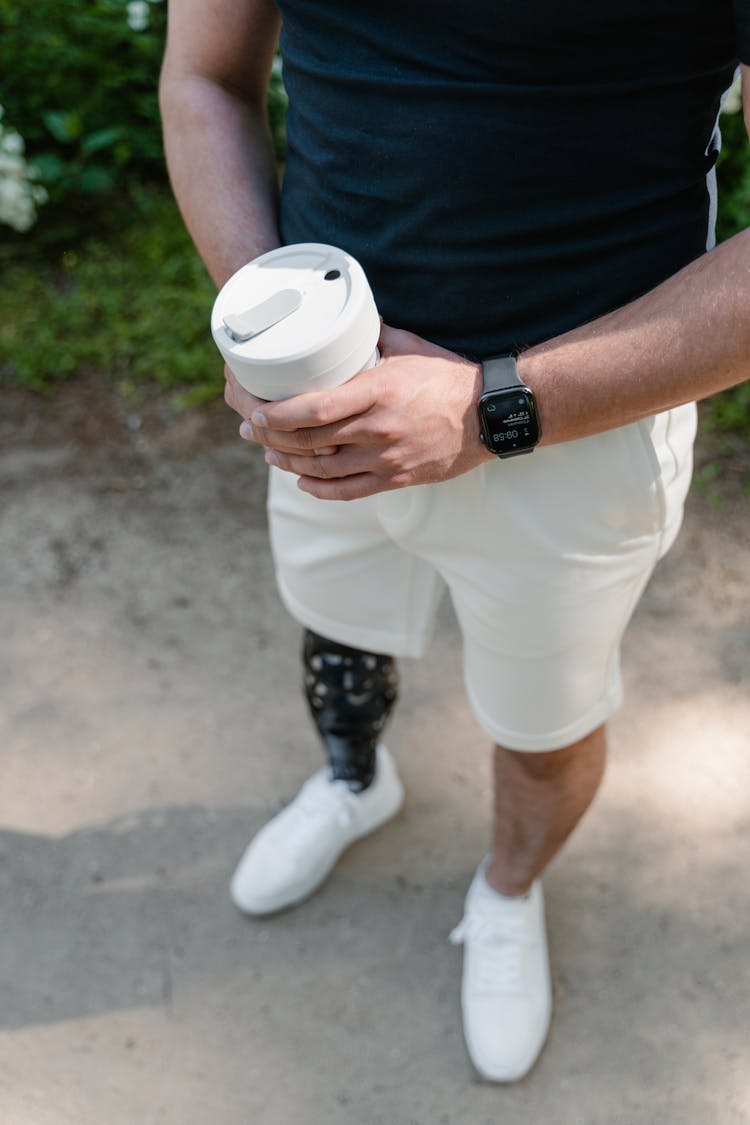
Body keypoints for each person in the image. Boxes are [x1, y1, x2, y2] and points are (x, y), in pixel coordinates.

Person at [159, 0, 750, 1082]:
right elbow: (203, 80)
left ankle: (508, 890)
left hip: (575, 429)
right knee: (334, 622)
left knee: (545, 718)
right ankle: (352, 782)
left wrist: (492, 409)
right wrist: (264, 315)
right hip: (322, 392)